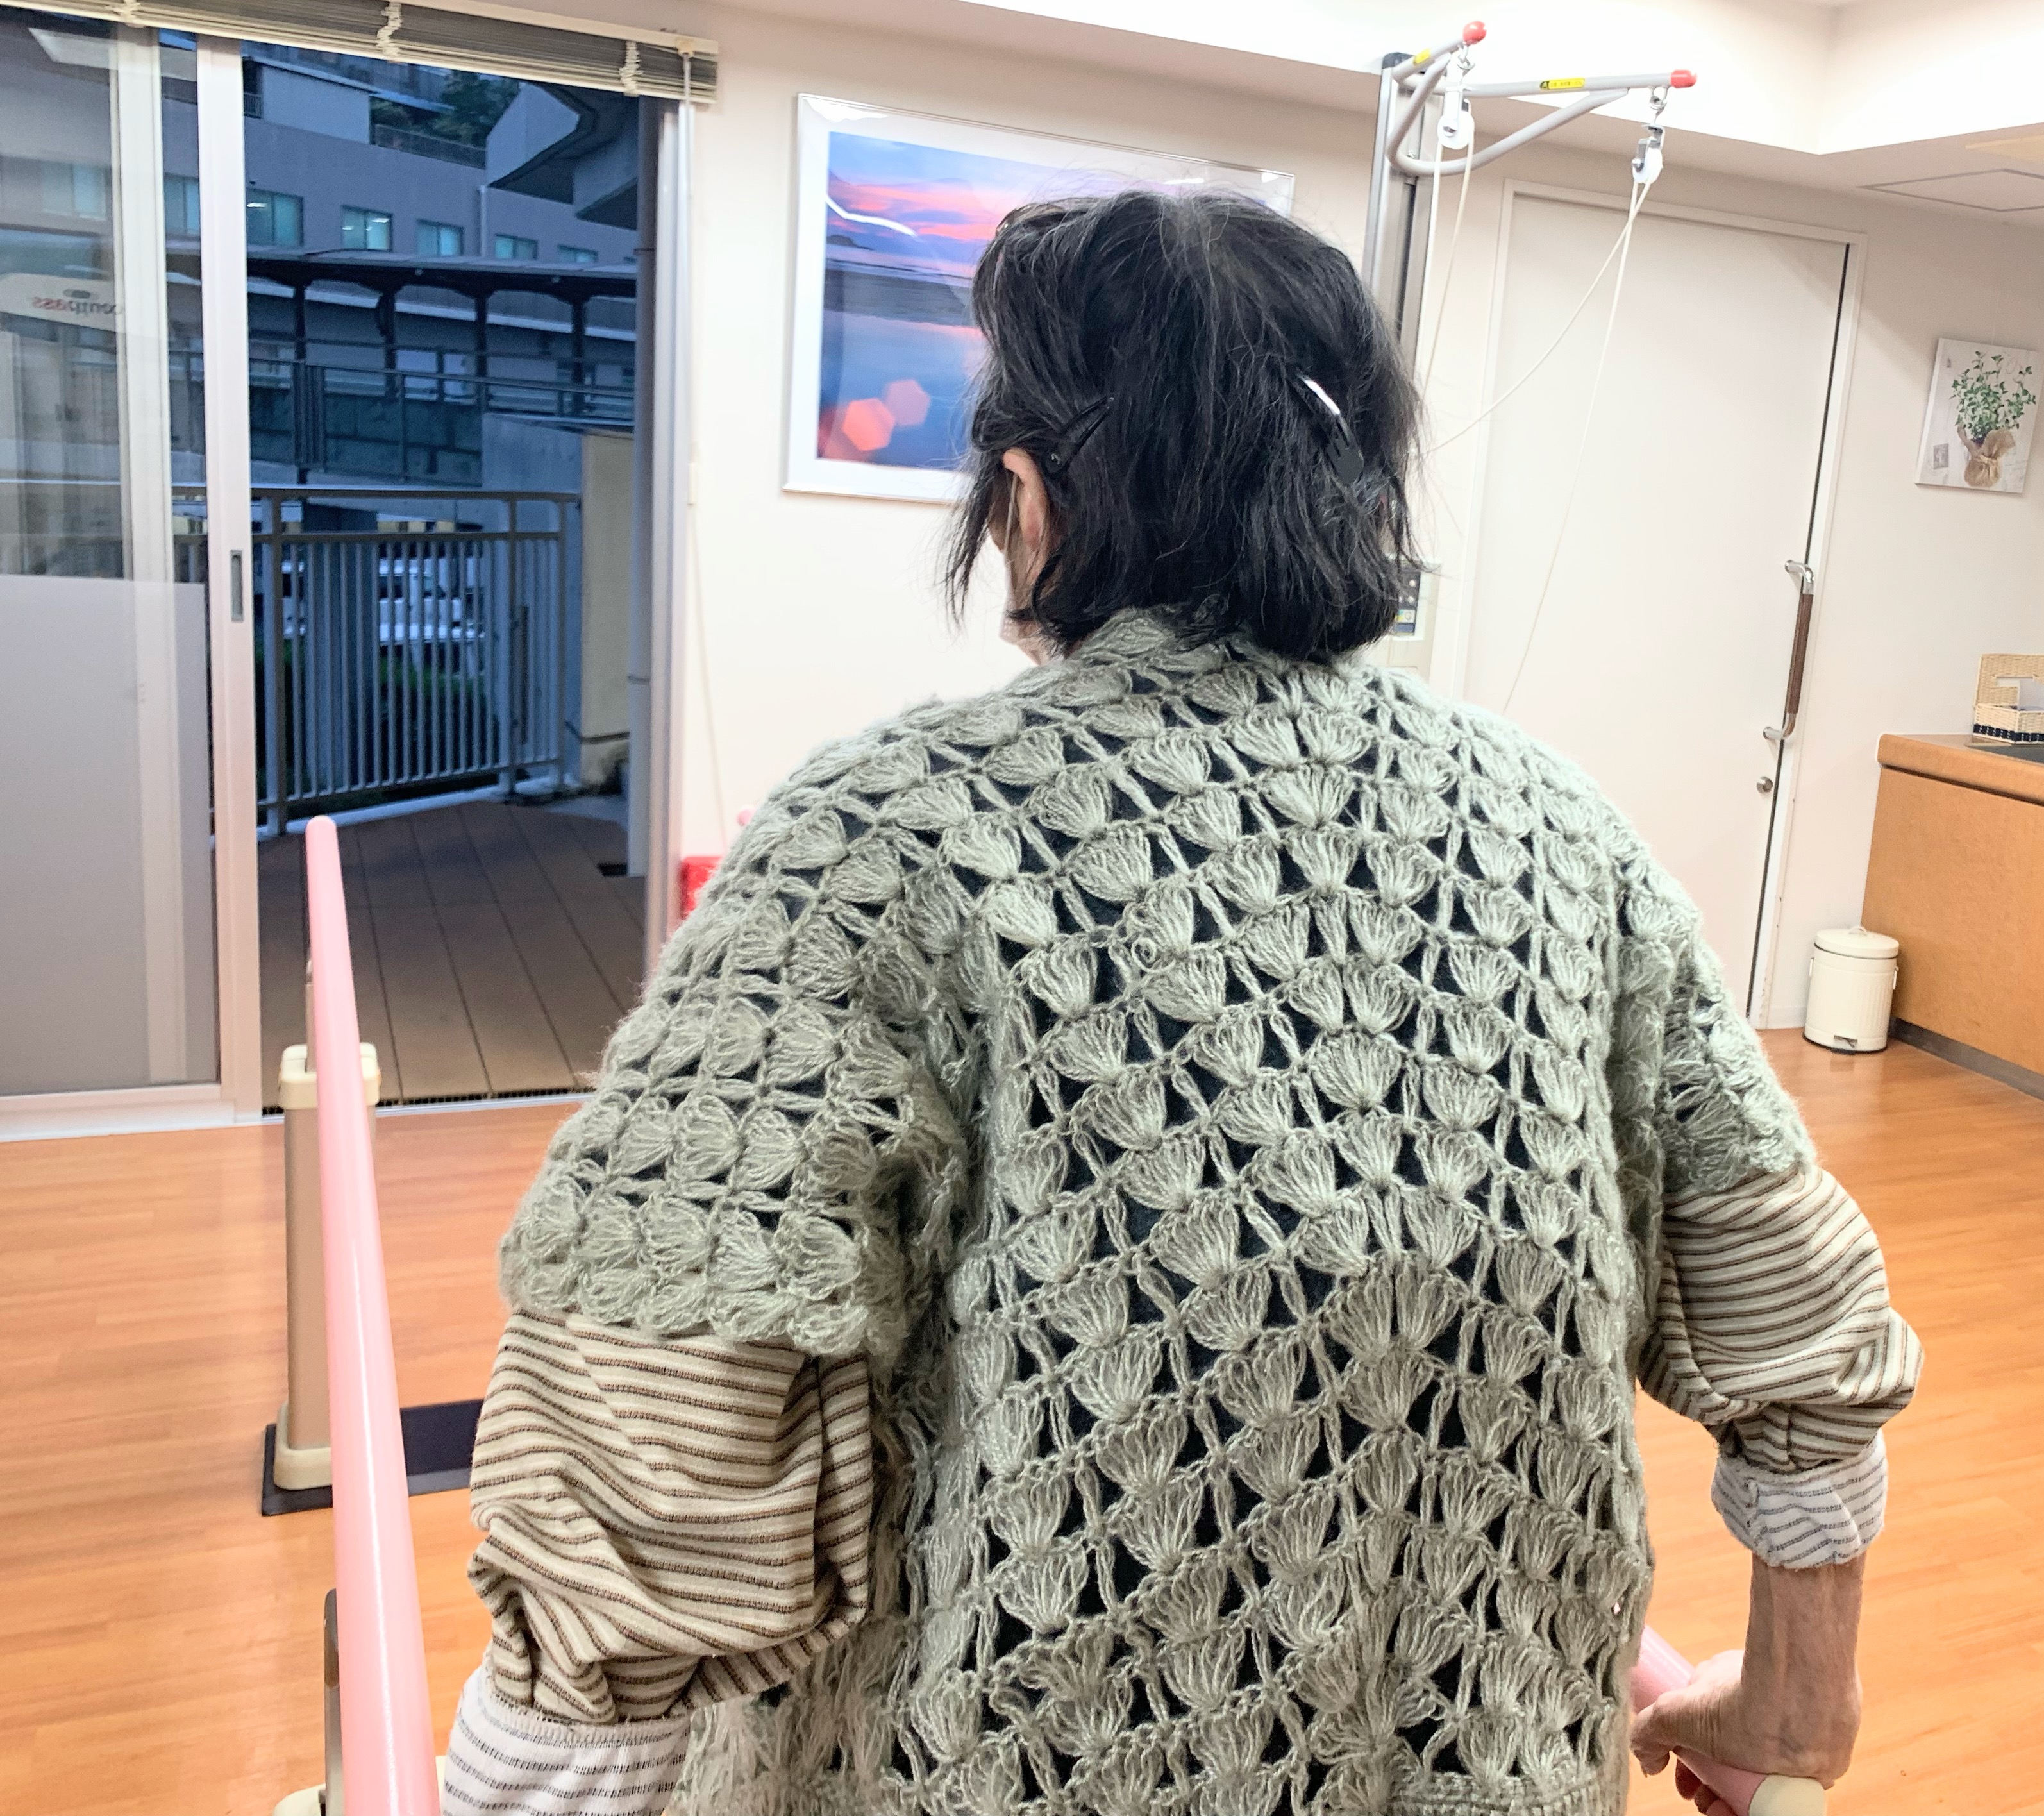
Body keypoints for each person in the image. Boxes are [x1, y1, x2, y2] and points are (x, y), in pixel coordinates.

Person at [441, 188, 1920, 1816]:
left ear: (1026, 496)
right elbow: (1798, 1318)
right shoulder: (1570, 836)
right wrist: (1793, 1702)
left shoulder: (885, 841)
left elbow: (654, 1427)